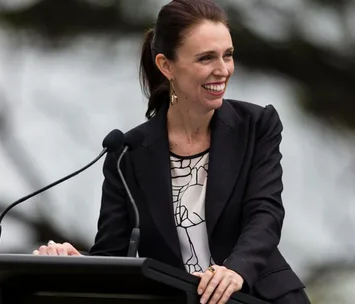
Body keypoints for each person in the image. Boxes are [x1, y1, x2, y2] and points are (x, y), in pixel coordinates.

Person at [33, 0, 311, 303]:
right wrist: (77, 262)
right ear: (167, 66)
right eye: (206, 58)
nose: (223, 70)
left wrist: (235, 270)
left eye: (227, 55)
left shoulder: (257, 125)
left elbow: (265, 213)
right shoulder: (127, 154)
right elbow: (114, 256)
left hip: (261, 297)